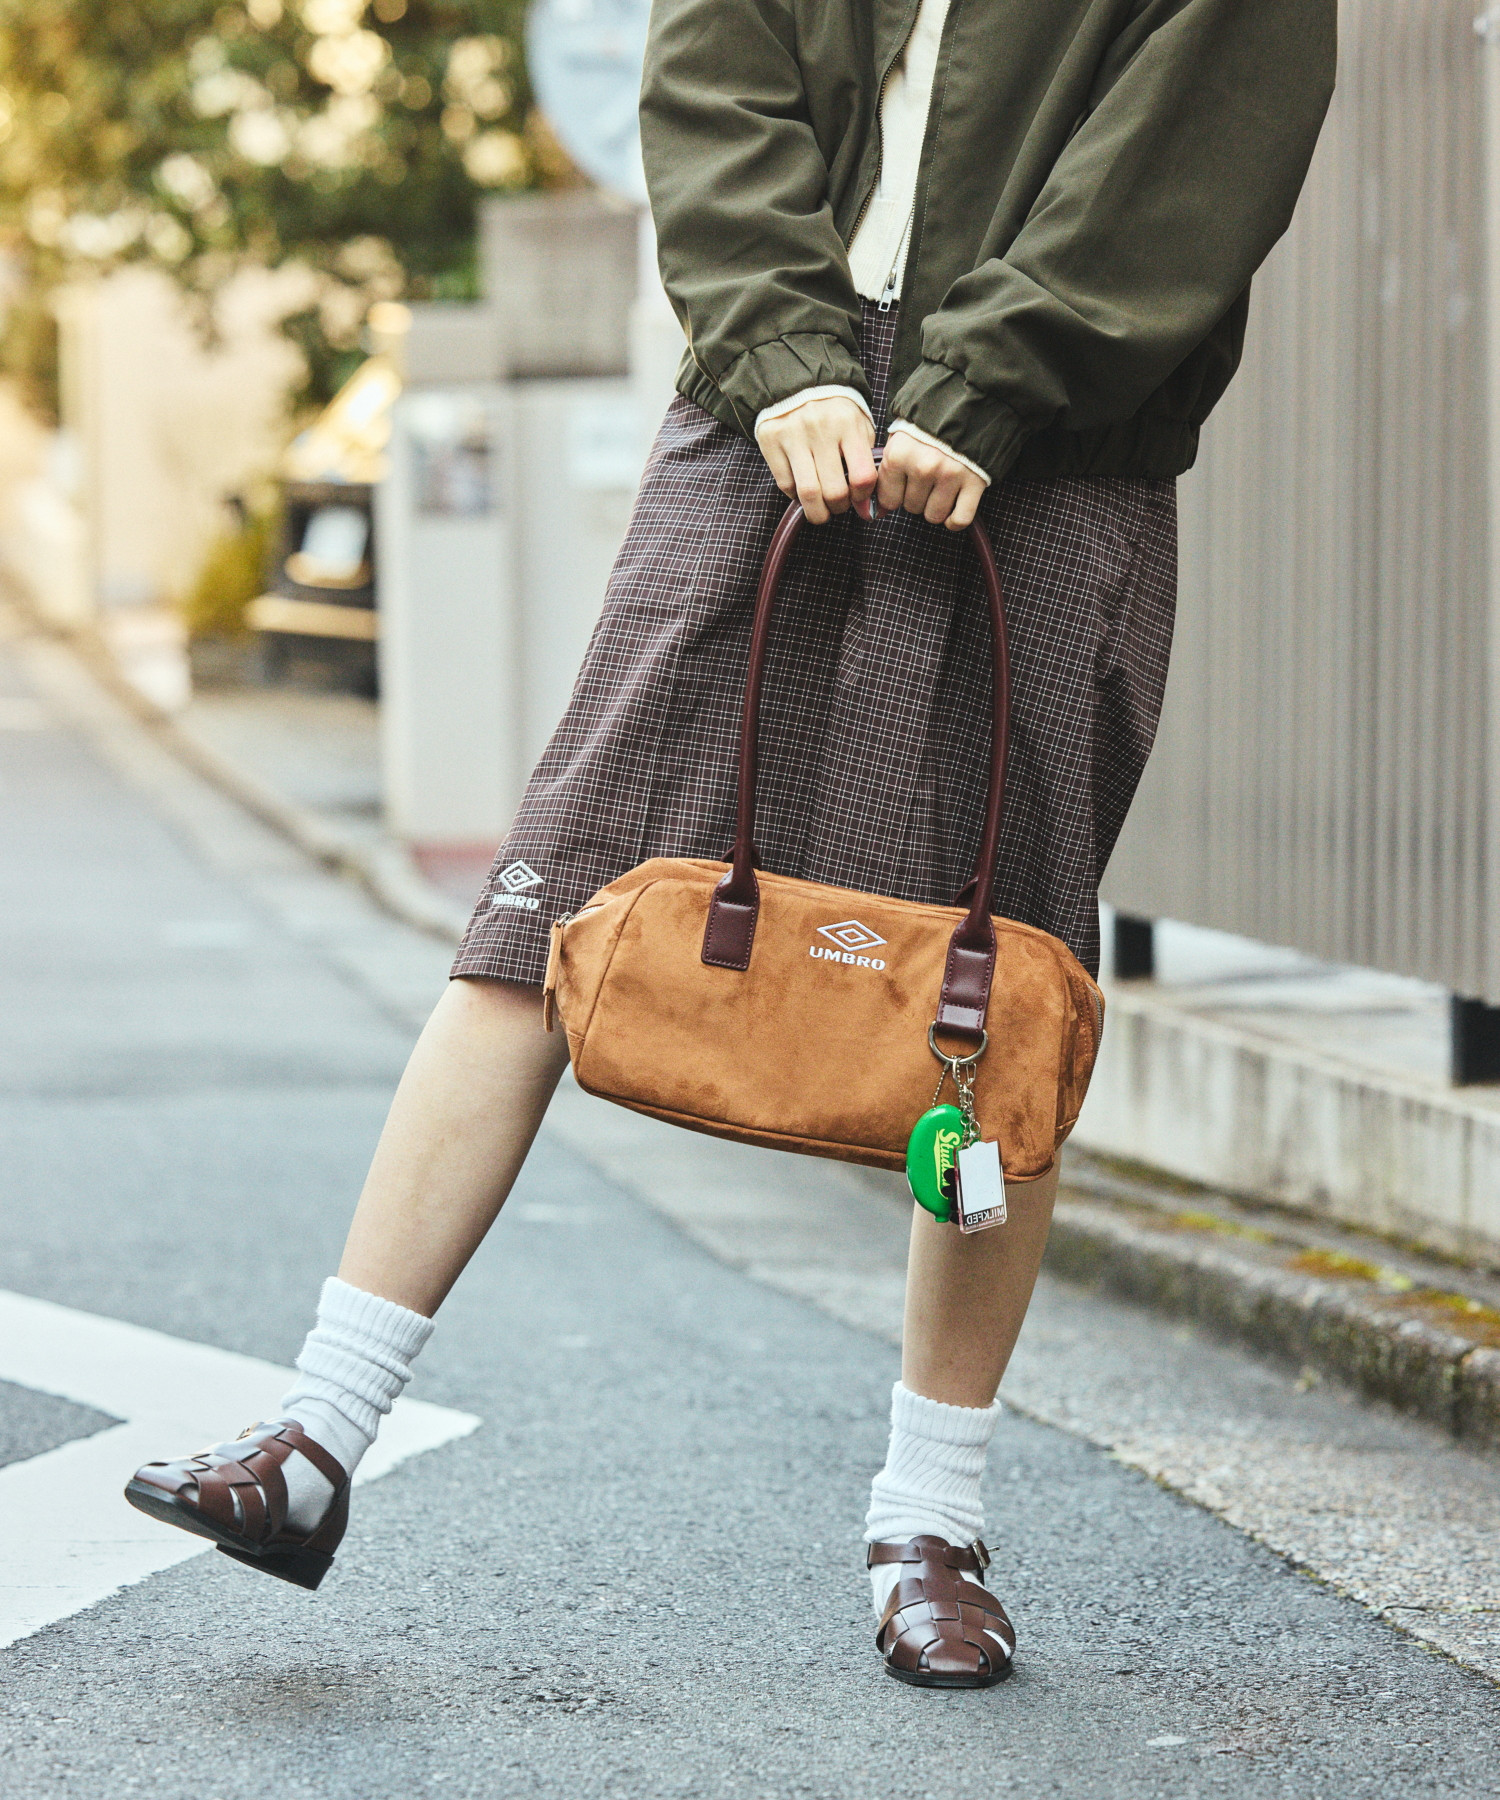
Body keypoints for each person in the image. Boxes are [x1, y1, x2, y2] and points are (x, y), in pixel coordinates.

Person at [126, 0, 1335, 1688]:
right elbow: (713, 78)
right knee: (551, 908)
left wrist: (996, 377)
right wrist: (783, 354)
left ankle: (931, 1528)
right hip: (765, 409)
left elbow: (1192, 148)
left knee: (1000, 989)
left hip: (1059, 444)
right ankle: (318, 1436)